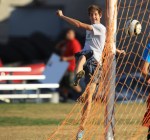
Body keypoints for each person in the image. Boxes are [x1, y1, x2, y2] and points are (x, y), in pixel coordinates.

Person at [57, 5, 106, 140]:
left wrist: (62, 16)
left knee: (88, 99)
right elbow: (105, 44)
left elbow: (78, 24)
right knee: (83, 55)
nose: (94, 17)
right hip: (88, 57)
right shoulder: (94, 30)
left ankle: (82, 128)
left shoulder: (100, 27)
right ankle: (76, 77)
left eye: (96, 14)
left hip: (96, 64)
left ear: (100, 16)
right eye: (91, 15)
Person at [55, 29, 82, 101]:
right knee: (64, 84)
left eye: (69, 33)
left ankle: (81, 95)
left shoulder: (74, 43)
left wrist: (66, 59)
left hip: (72, 67)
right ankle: (65, 98)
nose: (67, 35)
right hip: (64, 67)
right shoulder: (67, 43)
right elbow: (57, 48)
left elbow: (77, 55)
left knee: (72, 83)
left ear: (73, 35)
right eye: (67, 33)